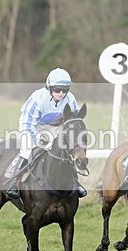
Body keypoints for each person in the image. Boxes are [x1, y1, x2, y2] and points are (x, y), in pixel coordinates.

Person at [6, 68, 85, 199]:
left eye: (65, 90)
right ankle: (14, 183)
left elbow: (74, 120)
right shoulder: (38, 98)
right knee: (27, 149)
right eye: (57, 89)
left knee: (67, 150)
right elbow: (28, 123)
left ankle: (75, 183)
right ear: (49, 87)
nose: (61, 93)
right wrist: (38, 139)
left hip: (56, 128)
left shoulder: (70, 99)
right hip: (33, 126)